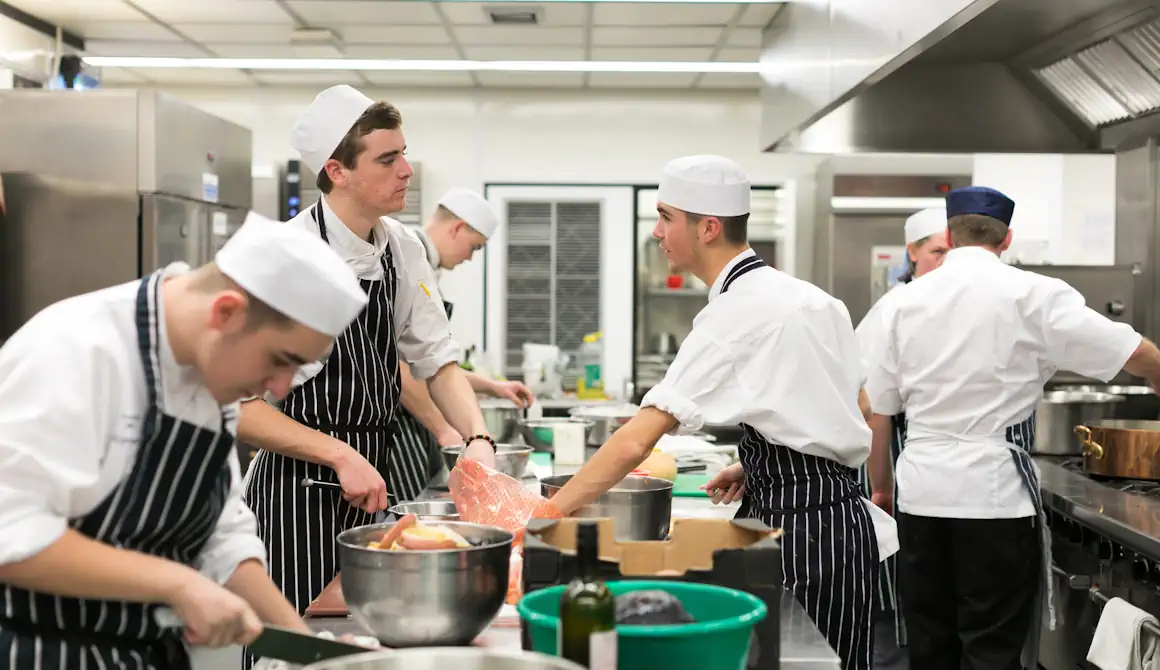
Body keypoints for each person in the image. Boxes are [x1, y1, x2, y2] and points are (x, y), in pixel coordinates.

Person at [543, 154, 897, 670]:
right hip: (841, 518)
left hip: (801, 533)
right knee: (841, 660)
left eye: (666, 217)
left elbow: (635, 441)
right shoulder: (813, 298)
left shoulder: (734, 314)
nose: (658, 232)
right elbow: (857, 406)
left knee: (797, 659)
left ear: (707, 227)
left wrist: (544, 515)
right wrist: (765, 463)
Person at [0, 212, 369, 670]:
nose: (280, 388)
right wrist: (180, 584)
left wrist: (305, 651)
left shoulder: (213, 370)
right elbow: (10, 535)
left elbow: (222, 535)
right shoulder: (76, 351)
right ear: (226, 312)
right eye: (281, 360)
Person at [864, 186, 1160, 670]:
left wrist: (882, 488)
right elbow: (1132, 352)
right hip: (993, 497)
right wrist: (1155, 373)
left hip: (921, 492)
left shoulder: (903, 303)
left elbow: (879, 410)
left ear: (950, 235)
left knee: (930, 643)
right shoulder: (1035, 294)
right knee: (992, 649)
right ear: (1007, 240)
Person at [238, 85, 498, 632]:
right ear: (337, 171)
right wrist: (335, 453)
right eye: (388, 158)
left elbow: (438, 364)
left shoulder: (401, 249)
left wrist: (475, 440)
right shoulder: (285, 256)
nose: (406, 170)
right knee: (293, 646)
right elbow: (240, 408)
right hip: (295, 495)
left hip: (373, 485)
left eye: (404, 153)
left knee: (371, 638)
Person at [390, 187, 536, 503]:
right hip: (394, 430)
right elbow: (398, 368)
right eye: (474, 247)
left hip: (411, 425)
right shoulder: (404, 259)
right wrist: (445, 429)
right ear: (457, 227)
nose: (470, 257)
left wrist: (493, 387)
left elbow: (430, 361)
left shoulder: (425, 266)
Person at [854, 206, 948, 670]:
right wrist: (882, 485)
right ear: (912, 254)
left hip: (928, 469)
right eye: (938, 252)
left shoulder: (953, 304)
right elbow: (875, 413)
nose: (947, 263)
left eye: (955, 251)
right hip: (889, 460)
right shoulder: (893, 309)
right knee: (899, 595)